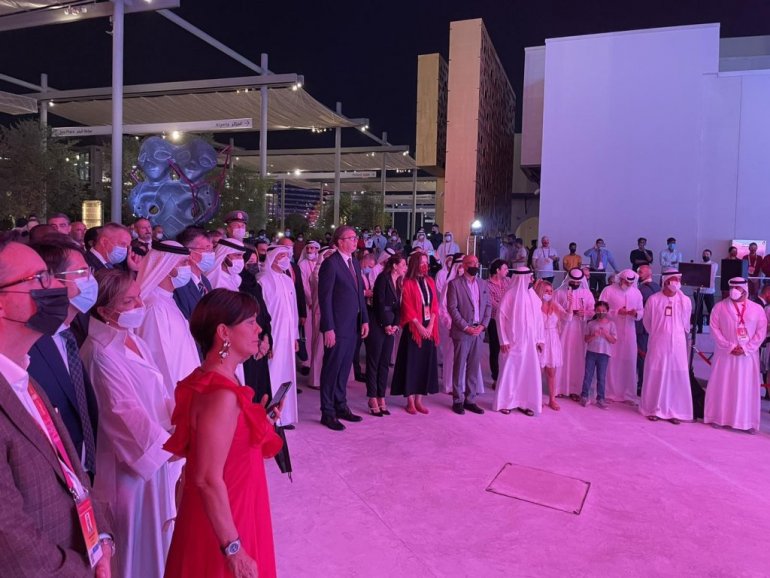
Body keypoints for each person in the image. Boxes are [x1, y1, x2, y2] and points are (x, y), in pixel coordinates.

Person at [0, 237, 114, 576]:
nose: (54, 288)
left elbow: (71, 471)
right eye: (38, 279)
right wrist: (82, 570)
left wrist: (100, 538)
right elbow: (9, 536)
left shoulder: (23, 376)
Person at [164, 289, 283, 578]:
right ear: (223, 332)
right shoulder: (220, 394)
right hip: (227, 519)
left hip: (234, 507)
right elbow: (207, 478)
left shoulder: (215, 379)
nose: (258, 329)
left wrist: (258, 421)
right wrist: (233, 549)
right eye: (250, 322)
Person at [81, 269, 176, 578]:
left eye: (138, 297)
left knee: (158, 537)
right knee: (136, 545)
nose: (139, 306)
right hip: (131, 464)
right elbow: (122, 413)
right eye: (128, 301)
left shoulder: (130, 337)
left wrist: (178, 419)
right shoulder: (100, 352)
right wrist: (168, 445)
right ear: (105, 311)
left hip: (158, 450)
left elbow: (157, 389)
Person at [28, 235, 100, 479]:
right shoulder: (31, 347)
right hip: (56, 474)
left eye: (89, 271)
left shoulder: (68, 334)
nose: (90, 280)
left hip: (83, 467)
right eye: (81, 272)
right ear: (48, 281)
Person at [318, 226, 369, 430]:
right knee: (332, 368)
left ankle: (341, 405)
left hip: (353, 325)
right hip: (337, 327)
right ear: (340, 242)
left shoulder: (354, 262)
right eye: (351, 238)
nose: (355, 241)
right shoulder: (330, 264)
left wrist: (364, 319)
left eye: (356, 237)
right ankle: (327, 411)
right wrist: (328, 328)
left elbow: (359, 293)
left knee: (345, 368)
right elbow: (325, 299)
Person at [135, 241, 200, 399]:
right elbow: (160, 362)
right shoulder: (155, 307)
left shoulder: (167, 299)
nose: (188, 267)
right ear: (167, 266)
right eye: (184, 263)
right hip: (174, 398)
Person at [704, 278, 766, 433]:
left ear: (745, 289)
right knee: (723, 386)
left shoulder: (757, 309)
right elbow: (714, 330)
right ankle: (719, 418)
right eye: (732, 287)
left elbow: (761, 332)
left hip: (748, 357)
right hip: (725, 355)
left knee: (746, 387)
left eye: (737, 288)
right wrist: (729, 346)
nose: (734, 290)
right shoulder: (719, 307)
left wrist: (746, 348)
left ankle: (747, 422)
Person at [640, 269, 693, 424]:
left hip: (678, 344)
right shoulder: (654, 300)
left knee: (676, 376)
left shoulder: (685, 301)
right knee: (657, 374)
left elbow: (686, 323)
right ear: (666, 281)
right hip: (659, 343)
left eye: (678, 280)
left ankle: (675, 411)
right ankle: (654, 409)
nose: (677, 283)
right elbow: (647, 323)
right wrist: (660, 334)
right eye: (674, 279)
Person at [391, 252, 439, 414]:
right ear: (414, 265)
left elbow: (434, 305)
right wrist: (419, 327)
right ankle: (410, 401)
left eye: (426, 262)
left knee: (425, 363)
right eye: (421, 262)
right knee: (412, 364)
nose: (425, 265)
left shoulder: (430, 281)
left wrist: (430, 326)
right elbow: (407, 307)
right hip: (414, 329)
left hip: (429, 328)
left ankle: (419, 399)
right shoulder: (407, 282)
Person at [258, 245, 300, 427]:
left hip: (288, 336)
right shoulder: (263, 280)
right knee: (272, 373)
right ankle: (269, 417)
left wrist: (295, 336)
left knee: (286, 373)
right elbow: (261, 313)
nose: (285, 259)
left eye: (286, 255)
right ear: (272, 258)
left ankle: (285, 416)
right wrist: (264, 338)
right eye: (281, 255)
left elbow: (294, 310)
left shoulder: (288, 280)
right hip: (273, 335)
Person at [494, 267, 545, 415]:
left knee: (528, 372)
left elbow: (539, 320)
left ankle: (525, 402)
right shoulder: (510, 295)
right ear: (522, 278)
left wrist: (540, 339)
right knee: (511, 372)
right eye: (530, 277)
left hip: (531, 343)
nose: (532, 280)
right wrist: (503, 340)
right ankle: (505, 402)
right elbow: (500, 318)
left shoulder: (533, 295)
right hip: (513, 342)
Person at [446, 254, 490, 415]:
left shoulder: (482, 283)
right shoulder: (454, 284)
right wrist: (466, 327)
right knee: (459, 366)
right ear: (464, 265)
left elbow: (488, 306)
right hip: (462, 332)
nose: (475, 265)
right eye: (471, 263)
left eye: (477, 263)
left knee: (473, 366)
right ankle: (458, 400)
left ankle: (470, 400)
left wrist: (483, 326)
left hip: (478, 331)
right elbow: (452, 308)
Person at [366, 254, 406, 416]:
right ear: (395, 266)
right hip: (378, 324)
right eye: (403, 265)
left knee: (384, 363)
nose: (405, 268)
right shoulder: (383, 278)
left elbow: (398, 307)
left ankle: (381, 396)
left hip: (391, 325)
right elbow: (379, 303)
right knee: (374, 362)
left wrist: (395, 324)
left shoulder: (398, 282)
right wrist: (386, 324)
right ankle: (372, 397)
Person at [600, 269, 643, 403]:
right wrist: (617, 312)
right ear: (621, 279)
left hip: (629, 331)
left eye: (631, 283)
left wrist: (635, 314)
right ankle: (609, 393)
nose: (629, 285)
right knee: (612, 361)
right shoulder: (608, 290)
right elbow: (600, 309)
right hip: (612, 330)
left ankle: (628, 394)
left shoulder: (636, 293)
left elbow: (641, 310)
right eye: (626, 282)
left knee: (629, 361)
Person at [554, 268, 595, 400]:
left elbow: (592, 310)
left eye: (578, 282)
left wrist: (585, 313)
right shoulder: (559, 292)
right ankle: (558, 388)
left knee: (577, 358)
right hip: (563, 330)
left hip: (579, 330)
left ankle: (575, 389)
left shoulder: (587, 293)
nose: (576, 284)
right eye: (573, 282)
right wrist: (566, 312)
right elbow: (553, 309)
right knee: (562, 355)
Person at [535, 280, 570, 410]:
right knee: (537, 371)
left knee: (551, 372)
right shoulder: (535, 305)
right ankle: (536, 398)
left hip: (553, 339)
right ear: (540, 291)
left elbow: (567, 318)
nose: (549, 293)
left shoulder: (555, 305)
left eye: (551, 291)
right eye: (546, 291)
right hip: (539, 339)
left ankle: (552, 399)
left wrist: (571, 304)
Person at [579, 301, 617, 409]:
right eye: (599, 310)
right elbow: (586, 339)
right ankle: (584, 396)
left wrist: (606, 334)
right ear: (595, 311)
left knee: (601, 377)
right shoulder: (591, 324)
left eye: (603, 310)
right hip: (591, 353)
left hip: (604, 354)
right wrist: (593, 336)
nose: (601, 312)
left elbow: (614, 340)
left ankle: (601, 398)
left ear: (607, 311)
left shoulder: (611, 324)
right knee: (588, 375)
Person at [173, 227, 215, 320]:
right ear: (190, 252)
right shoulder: (179, 286)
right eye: (206, 249)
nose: (211, 254)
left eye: (212, 249)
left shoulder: (204, 281)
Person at [309, 246, 336, 390]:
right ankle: (315, 380)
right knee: (319, 346)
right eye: (328, 254)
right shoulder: (316, 272)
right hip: (319, 312)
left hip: (331, 313)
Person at [437, 253, 464, 395]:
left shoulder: (467, 284)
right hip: (452, 326)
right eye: (461, 266)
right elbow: (442, 308)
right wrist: (450, 324)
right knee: (451, 356)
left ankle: (460, 385)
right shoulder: (449, 284)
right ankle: (449, 385)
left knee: (463, 357)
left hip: (465, 327)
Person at [636, 264, 660, 393]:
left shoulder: (642, 290)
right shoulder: (657, 287)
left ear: (648, 273)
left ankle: (642, 384)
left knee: (641, 356)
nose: (638, 274)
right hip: (654, 327)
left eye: (640, 272)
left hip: (642, 327)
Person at [297, 241, 320, 376]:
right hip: (308, 304)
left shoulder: (321, 262)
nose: (310, 250)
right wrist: (310, 300)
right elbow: (304, 284)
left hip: (319, 302)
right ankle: (306, 362)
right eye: (308, 248)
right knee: (308, 333)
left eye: (313, 248)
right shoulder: (303, 264)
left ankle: (317, 362)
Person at [486, 259, 511, 383]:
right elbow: (492, 303)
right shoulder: (487, 285)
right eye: (505, 268)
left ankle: (506, 375)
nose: (507, 271)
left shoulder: (508, 281)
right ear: (497, 270)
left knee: (508, 347)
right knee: (495, 348)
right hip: (494, 320)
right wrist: (506, 308)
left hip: (508, 320)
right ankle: (496, 377)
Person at [698, 249, 718, 332]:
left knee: (711, 310)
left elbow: (710, 275)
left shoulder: (714, 264)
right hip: (699, 290)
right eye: (704, 254)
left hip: (709, 291)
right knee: (699, 310)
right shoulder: (699, 264)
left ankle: (714, 329)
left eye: (707, 254)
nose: (705, 255)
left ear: (710, 255)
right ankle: (699, 328)